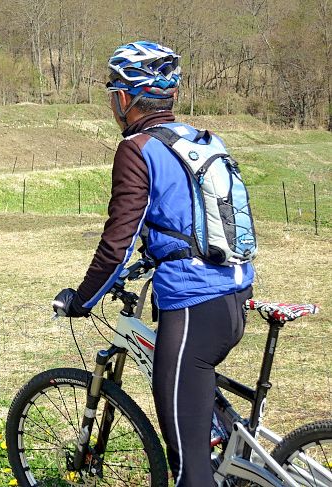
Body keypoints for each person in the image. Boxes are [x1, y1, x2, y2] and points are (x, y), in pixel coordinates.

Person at [52, 41, 254, 486]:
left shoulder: (137, 149)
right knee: (199, 408)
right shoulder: (201, 141)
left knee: (188, 467)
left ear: (124, 99)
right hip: (234, 295)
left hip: (193, 306)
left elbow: (117, 240)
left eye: (111, 94)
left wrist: (83, 299)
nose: (111, 104)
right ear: (171, 97)